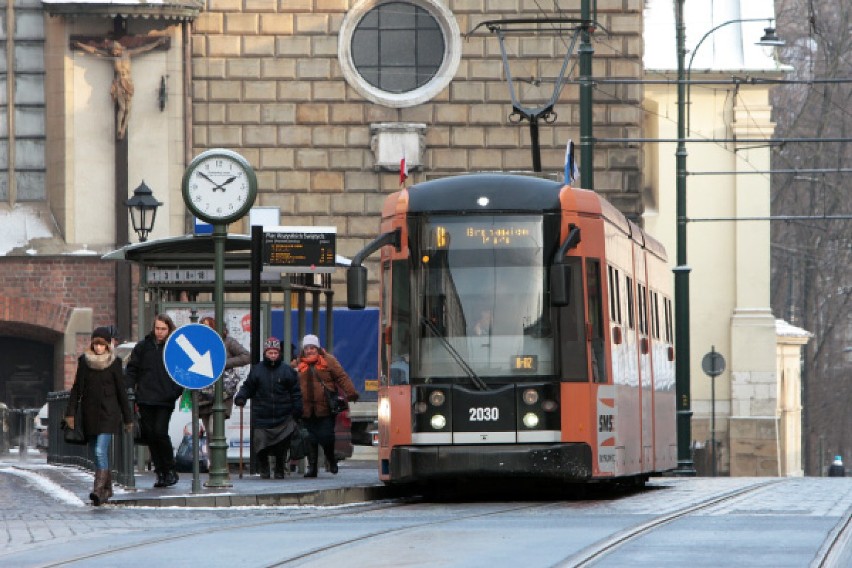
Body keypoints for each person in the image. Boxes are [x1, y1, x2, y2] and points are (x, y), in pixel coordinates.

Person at [65, 326, 132, 506]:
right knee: (95, 452)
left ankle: (97, 490)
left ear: (107, 345)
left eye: (102, 345)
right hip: (90, 414)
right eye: (96, 344)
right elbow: (77, 388)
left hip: (109, 415)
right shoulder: (85, 362)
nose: (99, 348)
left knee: (99, 450)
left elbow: (121, 392)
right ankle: (106, 489)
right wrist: (70, 414)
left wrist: (128, 418)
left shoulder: (115, 363)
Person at [71, 36, 168, 139]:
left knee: (128, 109)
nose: (114, 54)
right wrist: (80, 45)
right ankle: (119, 130)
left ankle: (124, 127)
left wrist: (157, 43)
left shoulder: (128, 53)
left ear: (119, 49)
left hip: (128, 83)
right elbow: (95, 51)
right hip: (119, 83)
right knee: (122, 108)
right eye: (112, 52)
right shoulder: (113, 57)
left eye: (115, 52)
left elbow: (144, 48)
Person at [125, 314, 183, 488]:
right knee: (150, 436)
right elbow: (132, 369)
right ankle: (160, 472)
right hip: (145, 398)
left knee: (160, 432)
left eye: (163, 329)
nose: (160, 332)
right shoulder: (143, 347)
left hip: (165, 398)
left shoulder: (173, 348)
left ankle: (169, 469)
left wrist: (174, 392)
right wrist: (130, 389)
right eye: (157, 328)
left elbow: (181, 372)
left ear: (169, 329)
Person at [234, 337, 302, 479]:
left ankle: (279, 469)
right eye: (270, 353)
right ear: (265, 353)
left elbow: (295, 392)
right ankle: (264, 467)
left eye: (275, 353)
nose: (272, 355)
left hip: (283, 415)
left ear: (279, 354)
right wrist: (241, 397)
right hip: (262, 415)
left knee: (281, 446)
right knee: (261, 444)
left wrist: (297, 408)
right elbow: (248, 387)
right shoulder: (257, 370)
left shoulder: (287, 371)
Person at [296, 334, 359, 477]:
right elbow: (289, 379)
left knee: (326, 437)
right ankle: (312, 468)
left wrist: (351, 393)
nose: (310, 350)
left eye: (312, 347)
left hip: (325, 408)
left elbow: (341, 376)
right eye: (307, 348)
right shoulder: (298, 363)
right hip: (306, 409)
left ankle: (330, 459)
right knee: (310, 439)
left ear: (317, 348)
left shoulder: (328, 360)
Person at [197, 316, 250, 441]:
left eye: (209, 327)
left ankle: (218, 460)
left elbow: (246, 356)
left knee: (214, 430)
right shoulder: (199, 343)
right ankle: (213, 460)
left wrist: (222, 363)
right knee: (209, 435)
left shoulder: (228, 342)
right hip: (203, 394)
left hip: (223, 393)